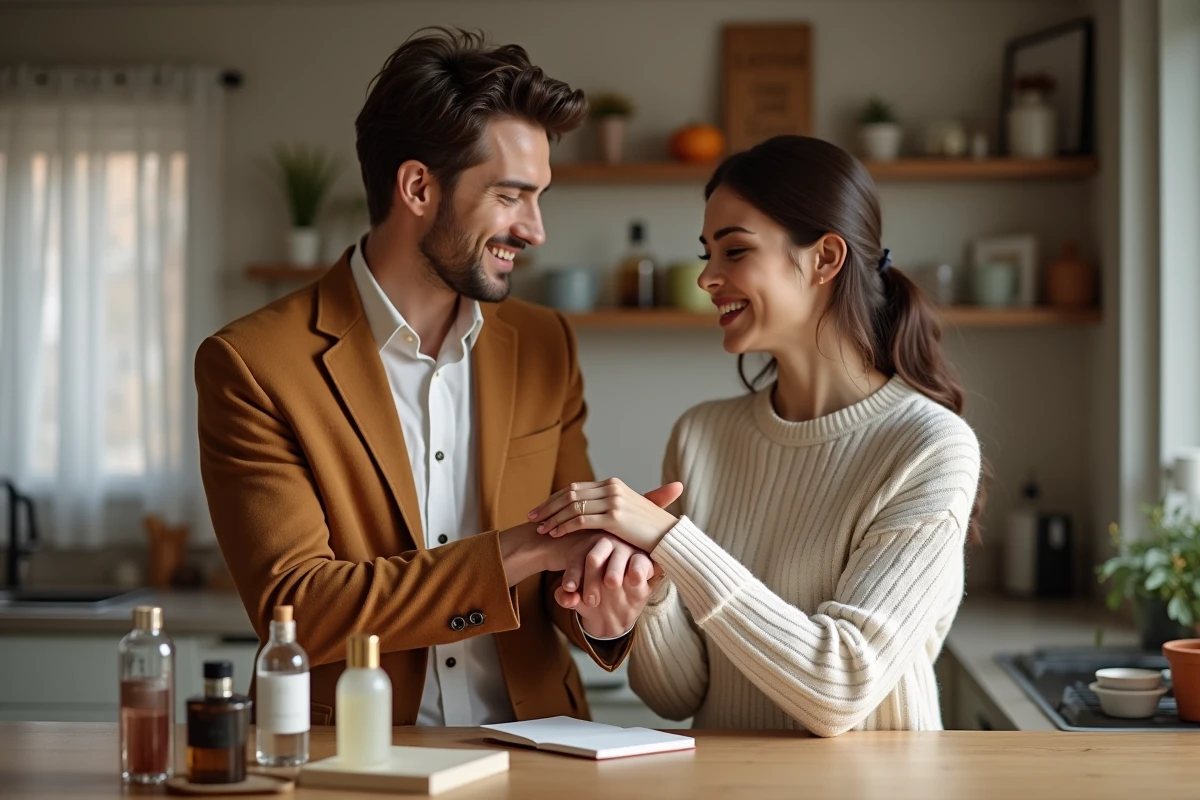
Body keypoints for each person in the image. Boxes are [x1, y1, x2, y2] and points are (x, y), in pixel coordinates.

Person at [195, 28, 667, 728]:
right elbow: (296, 610)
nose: (535, 230)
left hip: (539, 749)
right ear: (418, 187)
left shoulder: (545, 344)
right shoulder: (253, 364)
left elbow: (563, 573)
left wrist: (602, 601)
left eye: (539, 198)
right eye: (510, 196)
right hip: (354, 757)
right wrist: (523, 549)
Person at [530, 135, 984, 736]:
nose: (707, 278)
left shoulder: (930, 446)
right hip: (725, 780)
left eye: (735, 250)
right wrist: (648, 597)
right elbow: (676, 696)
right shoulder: (701, 435)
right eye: (707, 255)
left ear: (825, 258)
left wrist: (670, 540)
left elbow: (843, 687)